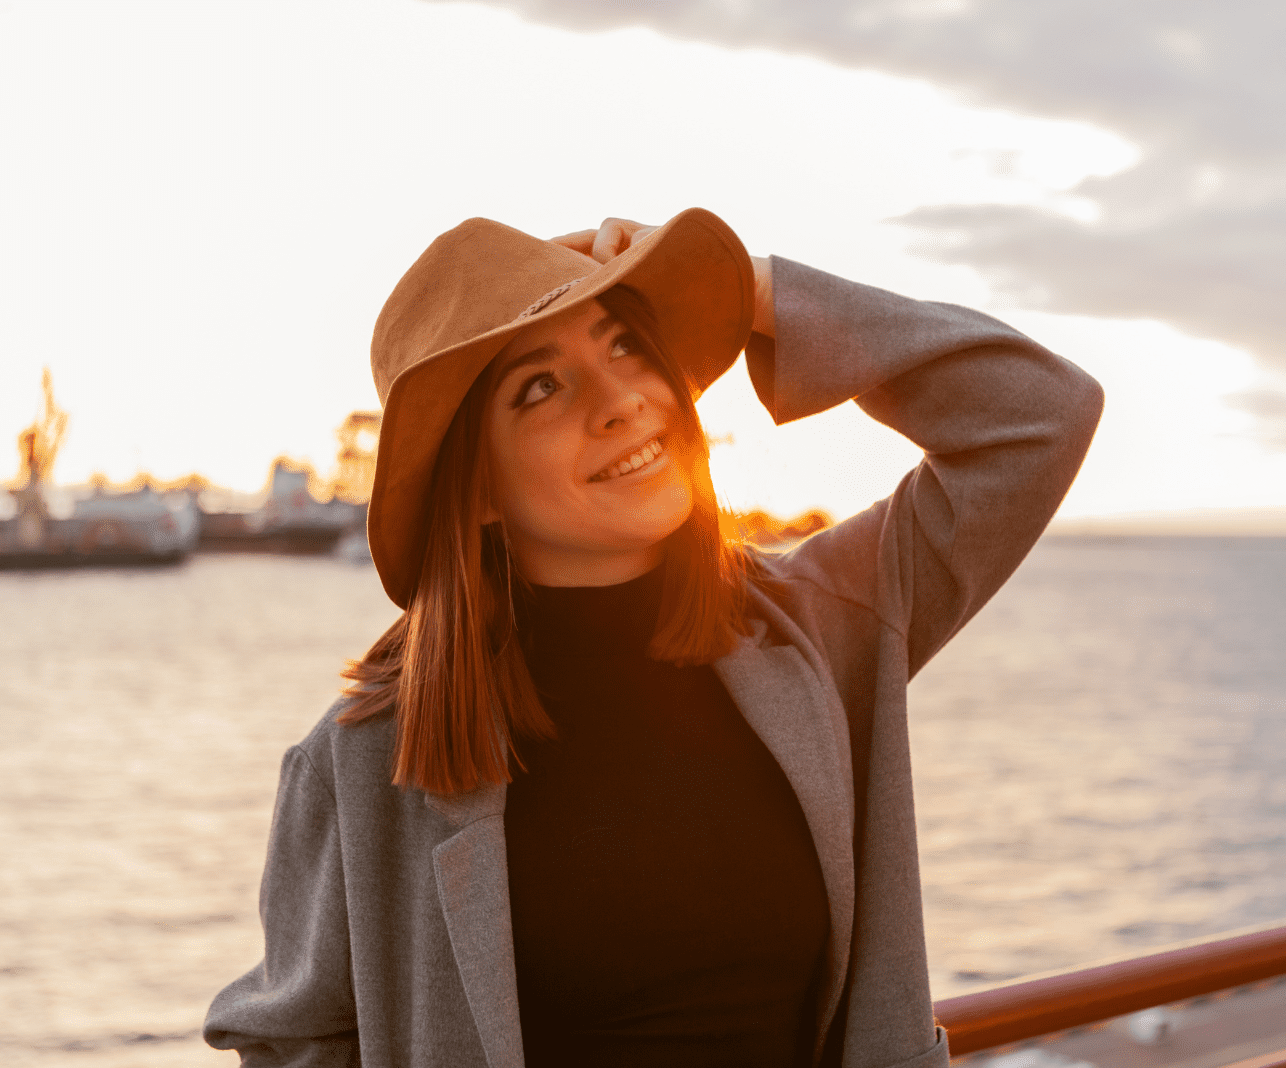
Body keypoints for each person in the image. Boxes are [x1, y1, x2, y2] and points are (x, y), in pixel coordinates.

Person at [205, 208, 1103, 1068]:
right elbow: (295, 1046)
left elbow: (1038, 415)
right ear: (475, 490)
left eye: (626, 343)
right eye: (541, 387)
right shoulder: (364, 761)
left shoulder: (818, 629)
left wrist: (746, 286)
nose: (622, 401)